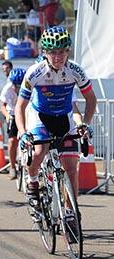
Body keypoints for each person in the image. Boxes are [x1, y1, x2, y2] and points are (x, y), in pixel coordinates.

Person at [15, 26, 96, 214]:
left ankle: (70, 214)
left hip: (65, 117)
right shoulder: (35, 72)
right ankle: (33, 181)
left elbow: (91, 100)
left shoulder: (75, 71)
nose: (58, 57)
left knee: (71, 168)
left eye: (62, 52)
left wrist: (85, 123)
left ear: (68, 51)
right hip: (40, 116)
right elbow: (20, 106)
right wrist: (22, 132)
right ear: (45, 52)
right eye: (52, 52)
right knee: (39, 151)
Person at [0, 68, 26, 180]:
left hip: (25, 113)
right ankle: (13, 167)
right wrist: (7, 115)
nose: (17, 88)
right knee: (12, 140)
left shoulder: (29, 87)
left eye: (20, 86)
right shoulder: (7, 89)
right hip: (13, 114)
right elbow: (2, 106)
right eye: (15, 85)